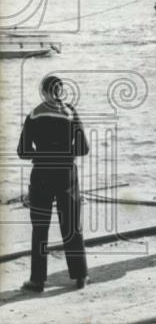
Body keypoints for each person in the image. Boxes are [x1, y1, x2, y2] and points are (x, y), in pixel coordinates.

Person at [17, 75, 89, 292]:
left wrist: (43, 153)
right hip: (67, 174)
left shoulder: (34, 115)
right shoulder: (70, 113)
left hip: (41, 175)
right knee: (71, 226)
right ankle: (80, 276)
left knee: (40, 228)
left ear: (43, 91)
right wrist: (65, 153)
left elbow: (22, 151)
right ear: (60, 90)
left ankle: (37, 280)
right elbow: (83, 148)